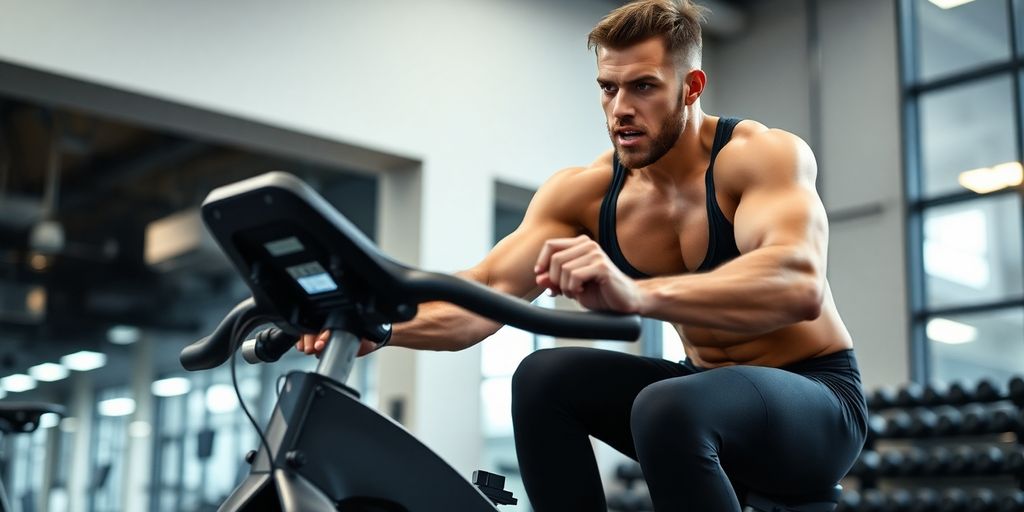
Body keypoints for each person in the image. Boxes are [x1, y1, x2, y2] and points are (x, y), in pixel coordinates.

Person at [297, 0, 868, 510]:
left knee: (667, 405)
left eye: (643, 86)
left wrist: (637, 294)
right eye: (608, 87)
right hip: (701, 398)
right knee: (545, 376)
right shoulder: (586, 193)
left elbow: (796, 284)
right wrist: (379, 321)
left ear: (691, 87)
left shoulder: (758, 156)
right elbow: (479, 296)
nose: (620, 107)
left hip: (816, 402)